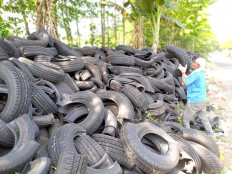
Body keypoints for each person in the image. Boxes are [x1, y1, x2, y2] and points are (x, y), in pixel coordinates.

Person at [179, 58, 214, 135]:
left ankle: (188, 136)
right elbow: (191, 73)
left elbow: (183, 83)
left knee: (185, 119)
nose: (192, 63)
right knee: (204, 119)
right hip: (202, 100)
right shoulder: (201, 72)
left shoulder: (196, 74)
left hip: (194, 101)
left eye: (194, 62)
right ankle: (211, 134)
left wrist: (183, 72)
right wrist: (186, 71)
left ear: (198, 65)